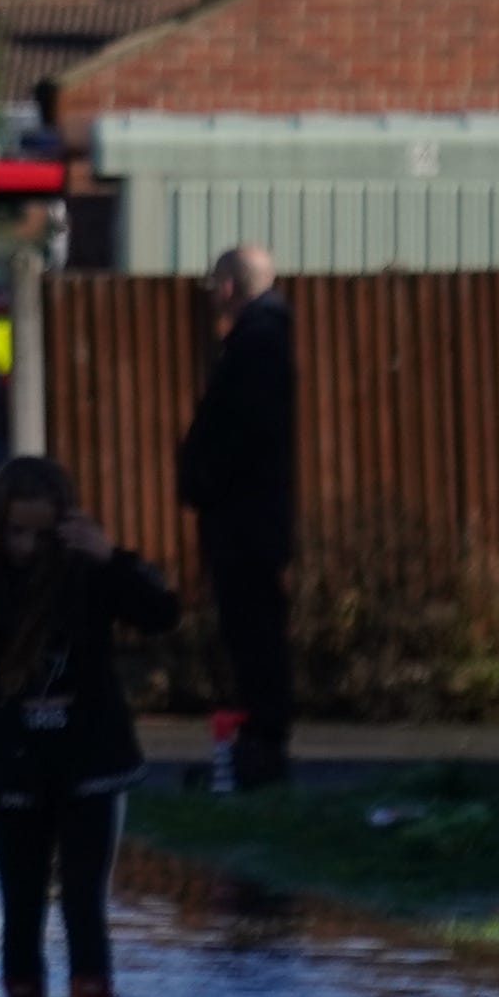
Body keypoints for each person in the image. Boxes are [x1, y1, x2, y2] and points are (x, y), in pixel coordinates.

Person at [0, 454, 180, 997]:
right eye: (17, 533)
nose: (29, 549)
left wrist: (112, 558)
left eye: (42, 535)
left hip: (89, 763)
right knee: (21, 904)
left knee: (84, 902)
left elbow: (161, 612)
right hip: (15, 764)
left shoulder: (88, 575)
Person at [175, 244, 300, 788]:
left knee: (252, 631)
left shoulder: (256, 341)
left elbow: (241, 433)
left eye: (214, 283)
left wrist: (203, 479)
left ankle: (260, 748)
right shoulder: (264, 336)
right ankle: (258, 742)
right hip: (251, 515)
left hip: (244, 519)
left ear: (228, 285)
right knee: (253, 629)